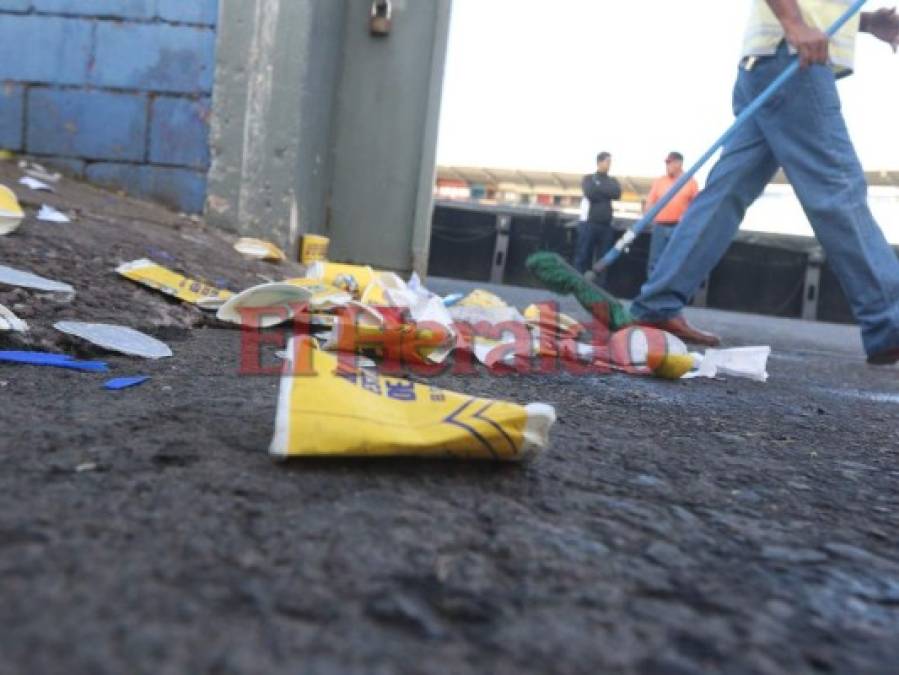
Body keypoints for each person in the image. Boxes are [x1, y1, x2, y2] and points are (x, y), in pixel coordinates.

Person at [628, 0, 899, 365]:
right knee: (837, 187)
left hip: (764, 64)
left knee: (725, 194)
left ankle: (658, 302)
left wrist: (864, 22)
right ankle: (889, 320)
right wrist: (794, 25)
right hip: (793, 61)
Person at [644, 152, 700, 277]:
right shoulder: (660, 181)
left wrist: (687, 220)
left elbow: (697, 206)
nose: (667, 165)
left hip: (679, 228)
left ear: (679, 163)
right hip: (659, 226)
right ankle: (650, 293)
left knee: (675, 261)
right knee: (654, 262)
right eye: (666, 163)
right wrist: (647, 215)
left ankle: (667, 292)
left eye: (670, 163)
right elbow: (649, 202)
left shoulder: (691, 182)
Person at [575, 152, 622, 280]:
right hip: (588, 224)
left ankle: (601, 286)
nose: (609, 164)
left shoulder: (613, 180)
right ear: (599, 162)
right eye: (607, 161)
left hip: (606, 226)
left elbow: (617, 193)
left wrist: (600, 189)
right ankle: (578, 282)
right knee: (583, 255)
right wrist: (606, 193)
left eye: (610, 162)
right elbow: (590, 192)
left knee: (603, 259)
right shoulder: (588, 178)